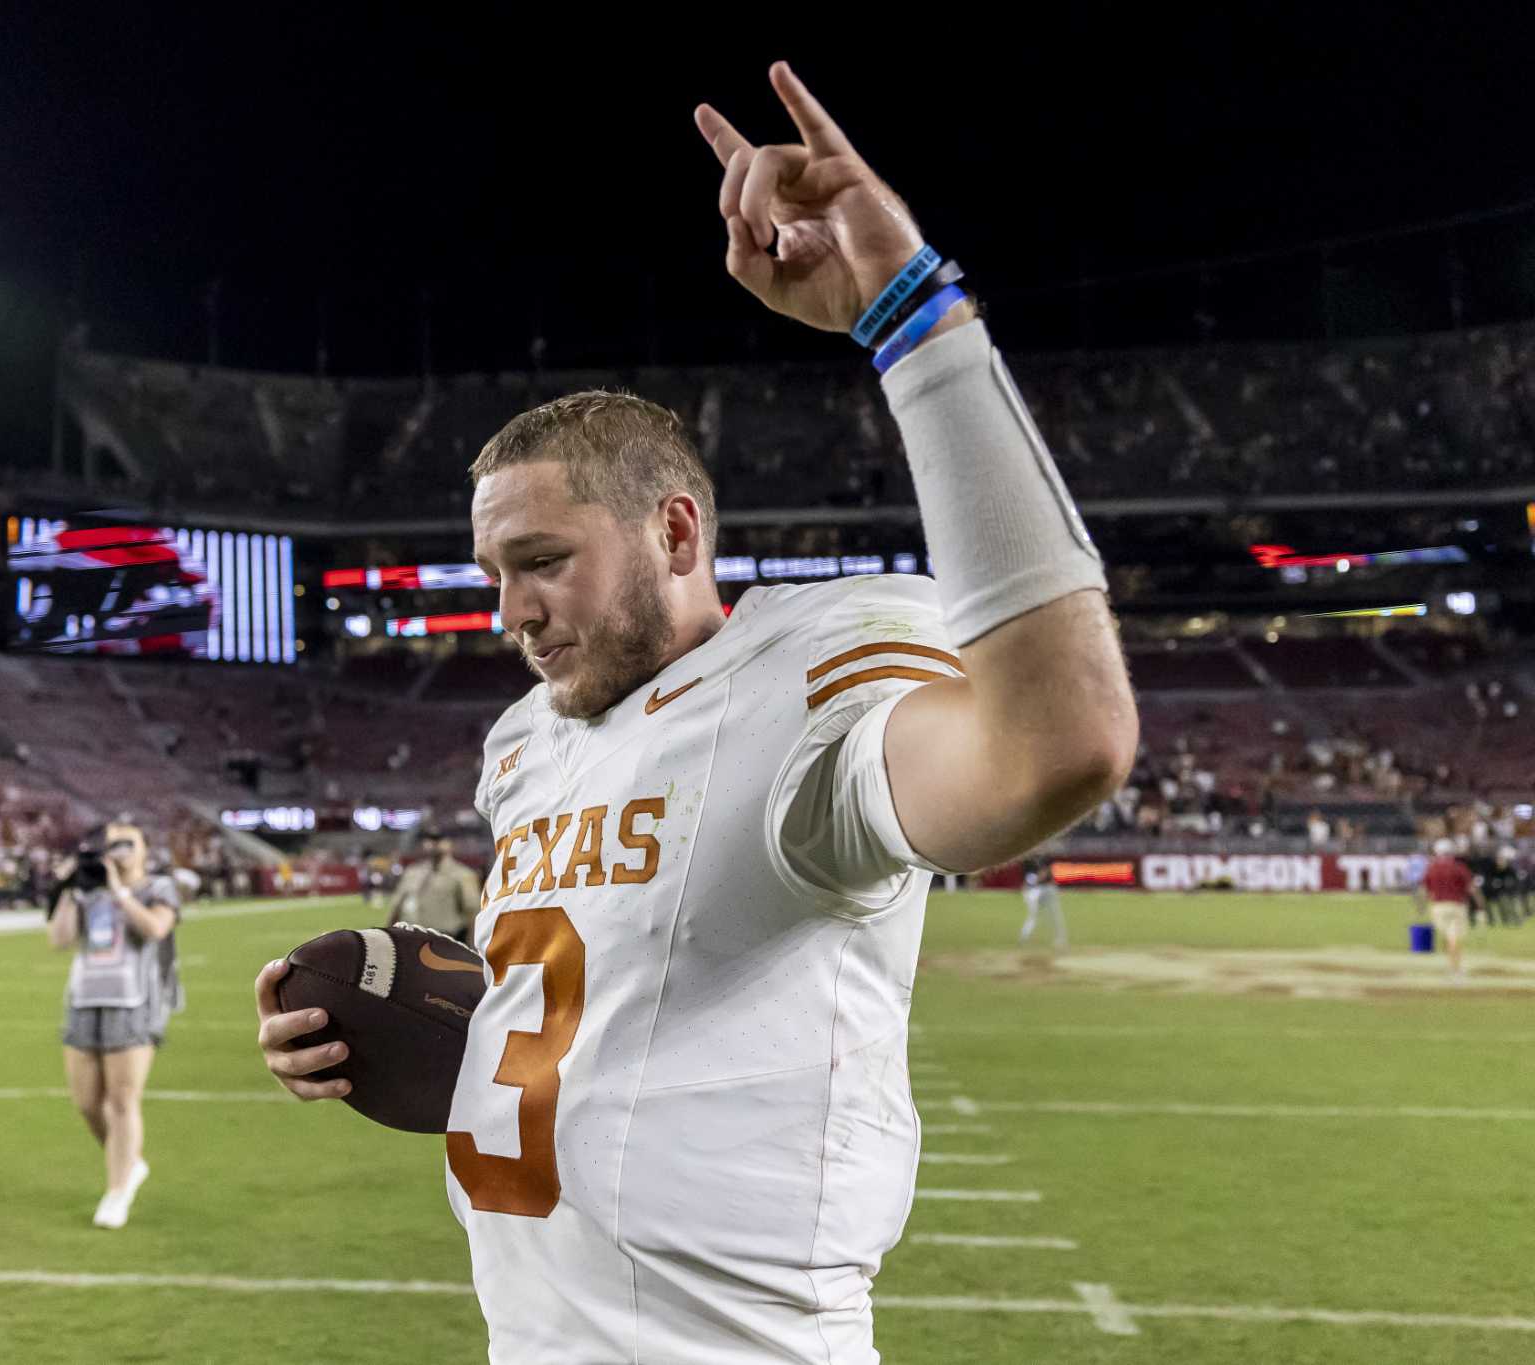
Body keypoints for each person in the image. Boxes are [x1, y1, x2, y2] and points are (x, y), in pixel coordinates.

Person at [256, 62, 1136, 1364]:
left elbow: (1059, 745)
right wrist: (414, 1023)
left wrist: (914, 321)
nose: (511, 612)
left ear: (675, 531)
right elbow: (606, 1001)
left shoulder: (808, 676)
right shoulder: (523, 743)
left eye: (543, 562)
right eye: (494, 576)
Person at [48, 822, 183, 1229]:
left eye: (129, 843)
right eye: (112, 845)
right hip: (85, 999)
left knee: (122, 1101)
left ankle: (117, 1191)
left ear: (144, 850)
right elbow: (58, 939)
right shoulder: (89, 890)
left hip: (134, 1001)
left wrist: (120, 891)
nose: (120, 851)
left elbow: (156, 928)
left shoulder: (157, 887)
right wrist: (73, 888)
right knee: (87, 1103)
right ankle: (129, 1163)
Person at [385, 830, 483, 942]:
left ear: (450, 844)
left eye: (439, 839)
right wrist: (389, 935)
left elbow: (472, 911)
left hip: (445, 940)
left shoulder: (462, 874)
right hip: (411, 938)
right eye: (430, 839)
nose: (434, 843)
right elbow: (396, 906)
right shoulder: (412, 872)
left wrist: (472, 946)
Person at [1420, 838, 1479, 977]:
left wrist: (1421, 907)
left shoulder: (1432, 867)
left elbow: (1424, 890)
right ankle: (1455, 968)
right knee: (1454, 938)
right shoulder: (1459, 867)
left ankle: (1452, 964)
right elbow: (1471, 888)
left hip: (1438, 906)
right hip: (1456, 906)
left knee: (1448, 936)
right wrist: (1480, 905)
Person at [1018, 852, 1067, 950]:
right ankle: (1024, 938)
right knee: (1043, 916)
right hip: (1038, 889)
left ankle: (1060, 940)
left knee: (1049, 915)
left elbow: (1046, 873)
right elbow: (1039, 874)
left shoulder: (1042, 857)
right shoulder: (1028, 859)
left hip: (1042, 889)